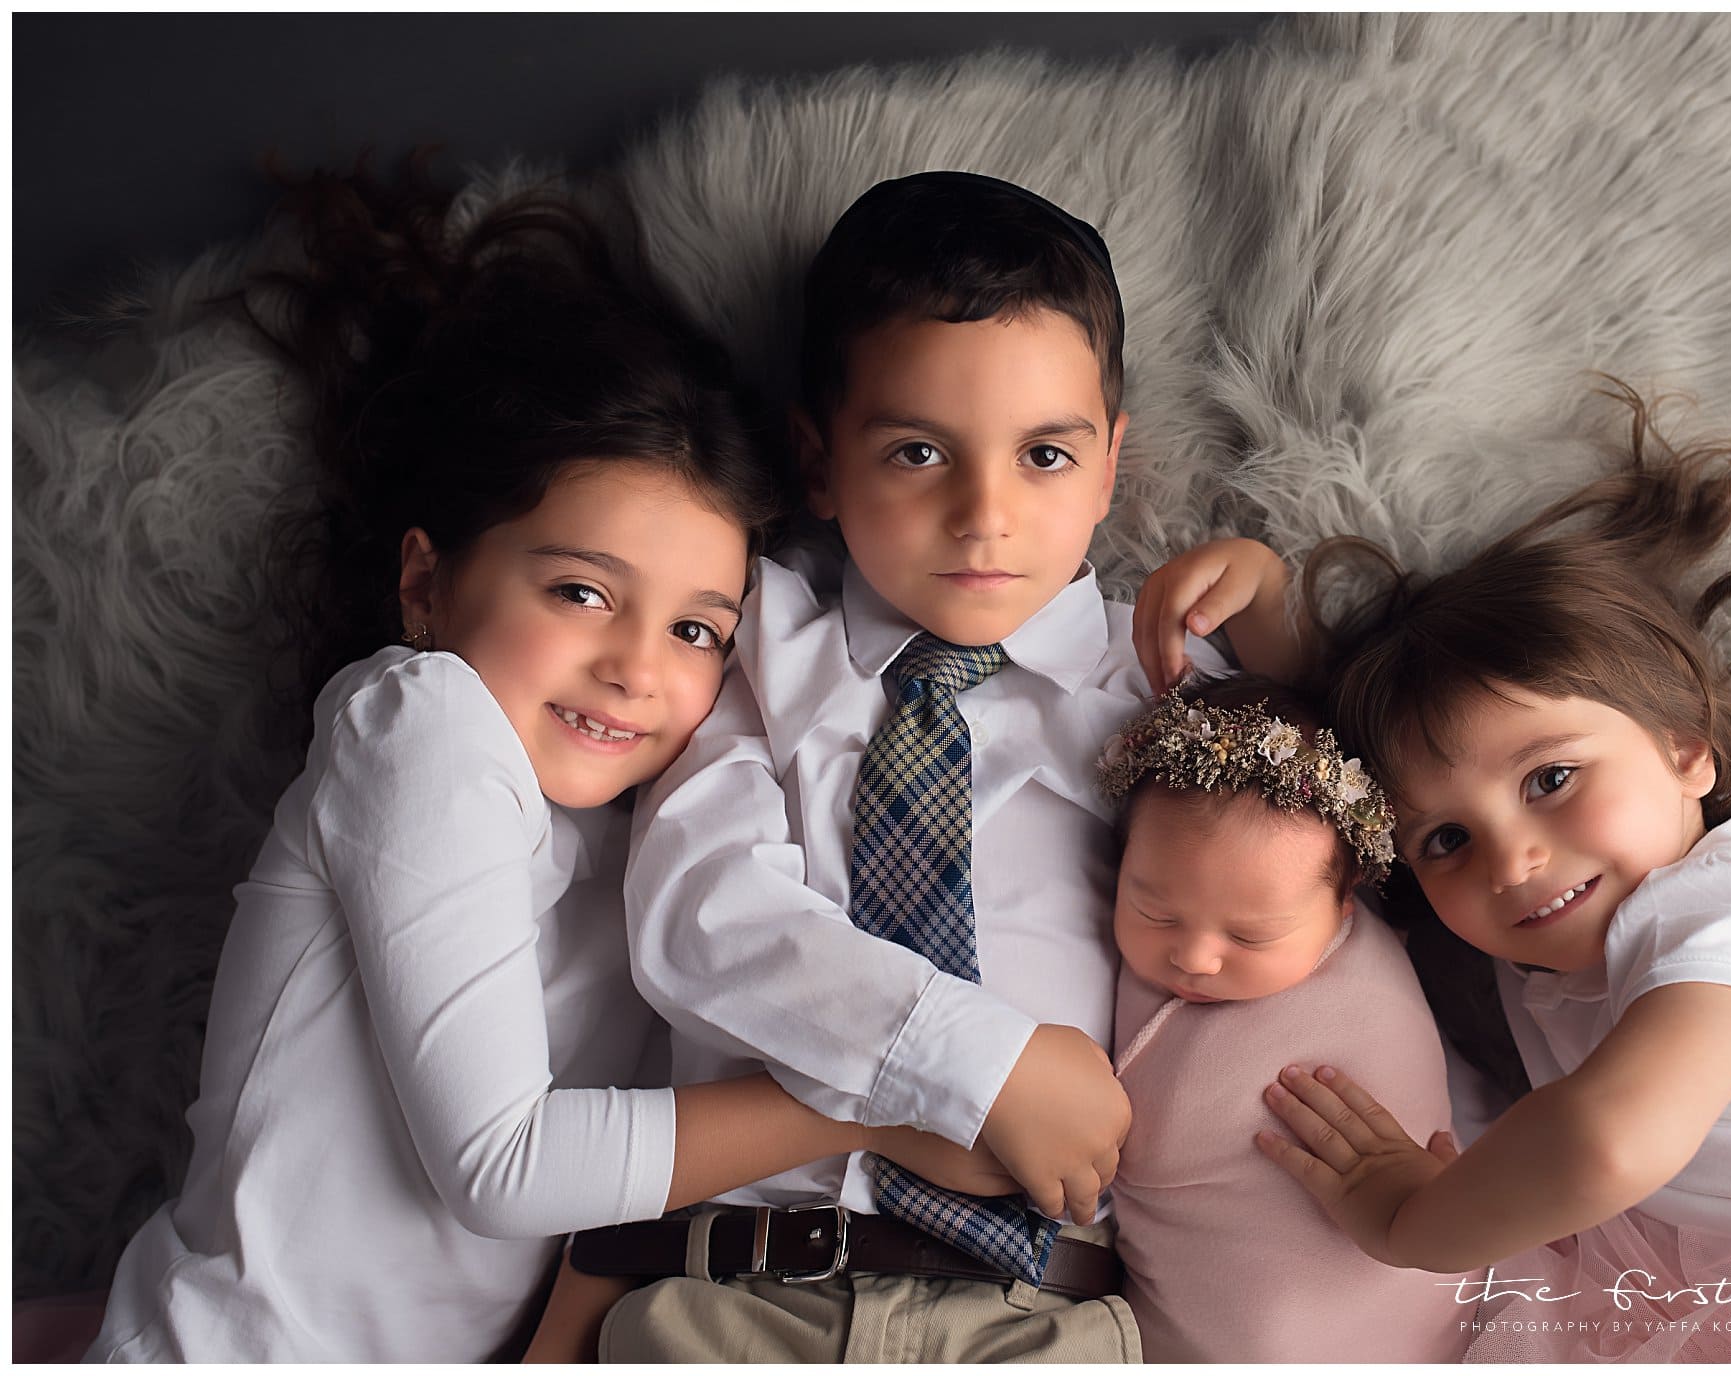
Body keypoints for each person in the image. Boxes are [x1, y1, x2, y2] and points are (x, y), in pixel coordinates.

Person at [84, 164, 999, 1364]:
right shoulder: (420, 722)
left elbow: (610, 1191)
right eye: (581, 591)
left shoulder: (648, 838)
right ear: (426, 583)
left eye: (694, 630)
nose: (634, 667)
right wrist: (876, 1103)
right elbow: (502, 1163)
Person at [1183, 385, 1731, 1362]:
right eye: (1446, 841)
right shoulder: (1548, 922)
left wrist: (1402, 1219)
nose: (1510, 857)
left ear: (1685, 750)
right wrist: (1254, 596)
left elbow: (1605, 1142)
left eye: (1550, 777)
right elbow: (1366, 768)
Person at [588, 170, 1226, 1363]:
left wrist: (1283, 622)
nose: (984, 513)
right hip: (741, 1292)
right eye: (920, 451)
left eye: (1043, 455)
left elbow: (1352, 833)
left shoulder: (1170, 680)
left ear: (1108, 466)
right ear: (817, 460)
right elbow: (699, 913)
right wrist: (975, 1064)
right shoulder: (756, 644)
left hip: (1040, 1314)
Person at [1094, 672, 1479, 1362]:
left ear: (1344, 904)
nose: (1196, 959)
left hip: (1411, 1301)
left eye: (1250, 937)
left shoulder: (1369, 970)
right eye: (1154, 911)